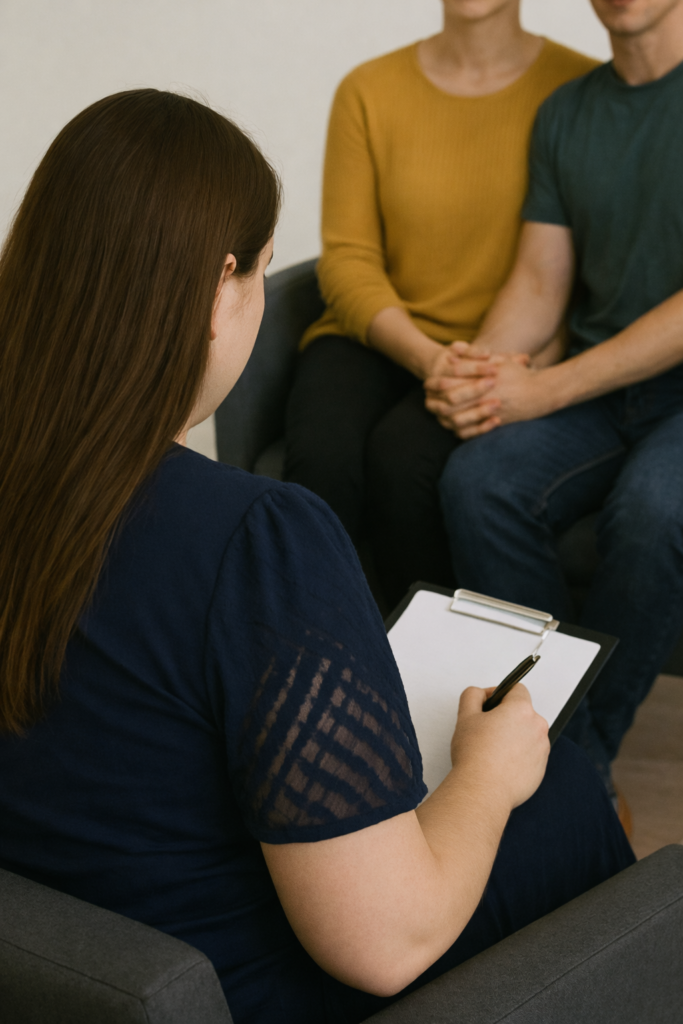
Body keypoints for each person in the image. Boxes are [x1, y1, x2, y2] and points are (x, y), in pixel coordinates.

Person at [0, 90, 632, 1024]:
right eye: (260, 272)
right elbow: (383, 943)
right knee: (564, 789)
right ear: (220, 288)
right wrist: (488, 777)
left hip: (62, 967)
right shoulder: (253, 538)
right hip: (239, 987)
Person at [433, 0, 683, 804]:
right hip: (609, 387)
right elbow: (541, 280)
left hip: (643, 388)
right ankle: (554, 745)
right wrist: (478, 370)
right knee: (477, 480)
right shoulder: (567, 112)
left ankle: (578, 760)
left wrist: (542, 387)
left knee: (653, 510)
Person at [284, 0, 597, 609]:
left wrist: (513, 361)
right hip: (377, 334)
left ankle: (424, 684)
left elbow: (583, 268)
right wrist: (429, 359)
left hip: (505, 347)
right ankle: (314, 670)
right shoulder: (367, 90)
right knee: (323, 462)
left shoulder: (579, 89)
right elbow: (347, 259)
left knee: (406, 466)